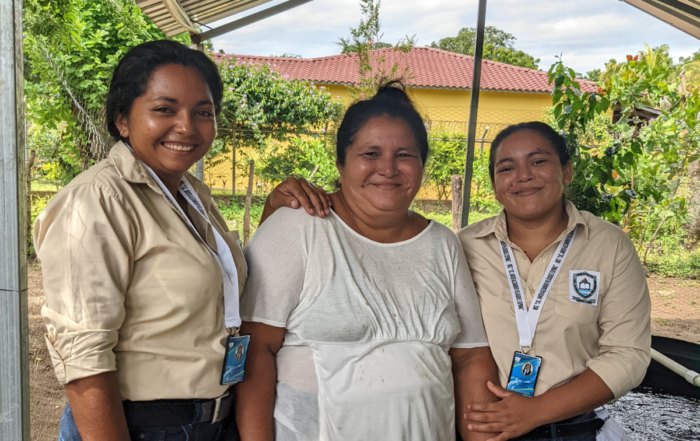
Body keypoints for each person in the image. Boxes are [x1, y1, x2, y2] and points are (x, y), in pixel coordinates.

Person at [35, 40, 329, 441]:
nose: (187, 127)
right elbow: (84, 364)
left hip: (211, 419)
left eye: (203, 112)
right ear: (122, 119)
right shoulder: (97, 202)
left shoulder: (190, 192)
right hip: (141, 426)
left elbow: (212, 285)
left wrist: (273, 217)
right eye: (164, 110)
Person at [235, 82, 500, 441]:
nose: (388, 169)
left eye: (405, 155)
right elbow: (255, 350)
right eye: (370, 154)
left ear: (422, 164)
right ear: (341, 162)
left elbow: (470, 358)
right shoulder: (299, 227)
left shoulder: (442, 243)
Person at [458, 122, 651, 441]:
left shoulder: (609, 245)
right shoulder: (464, 247)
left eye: (538, 161)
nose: (523, 175)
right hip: (483, 430)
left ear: (567, 171)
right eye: (507, 167)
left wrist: (536, 410)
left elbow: (627, 354)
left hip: (572, 430)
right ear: (495, 185)